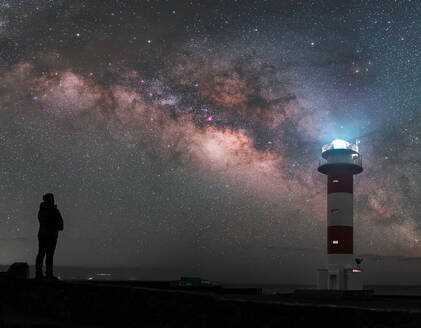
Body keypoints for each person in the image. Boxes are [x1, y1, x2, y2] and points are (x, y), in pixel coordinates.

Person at [35, 193, 64, 279]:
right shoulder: (48, 210)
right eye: (51, 198)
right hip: (47, 235)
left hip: (47, 235)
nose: (53, 200)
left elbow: (60, 225)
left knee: (46, 255)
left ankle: (45, 273)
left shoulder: (47, 210)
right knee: (44, 254)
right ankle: (42, 274)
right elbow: (59, 224)